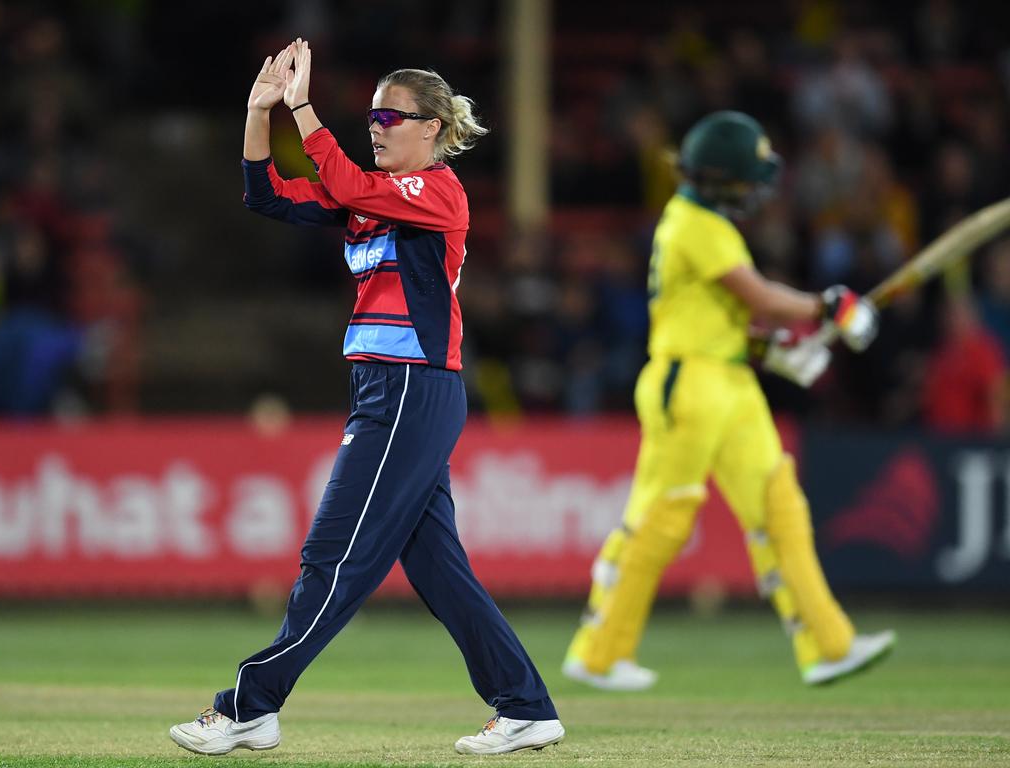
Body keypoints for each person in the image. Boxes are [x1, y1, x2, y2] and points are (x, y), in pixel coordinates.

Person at [169, 39, 564, 756]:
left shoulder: (438, 192)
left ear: (432, 130)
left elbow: (348, 187)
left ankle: (251, 703)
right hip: (390, 389)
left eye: (392, 115)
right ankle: (526, 706)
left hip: (412, 389)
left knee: (333, 554)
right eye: (373, 116)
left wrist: (302, 108)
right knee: (439, 570)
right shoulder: (373, 200)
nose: (376, 125)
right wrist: (262, 114)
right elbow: (267, 195)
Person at [562, 111, 896, 691]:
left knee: (779, 506)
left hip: (730, 380)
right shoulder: (693, 224)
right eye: (748, 178)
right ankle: (598, 652)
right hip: (687, 383)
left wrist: (773, 353)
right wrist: (831, 307)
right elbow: (757, 295)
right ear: (723, 178)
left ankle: (827, 645)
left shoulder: (706, 222)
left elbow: (729, 316)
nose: (757, 190)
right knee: (661, 519)